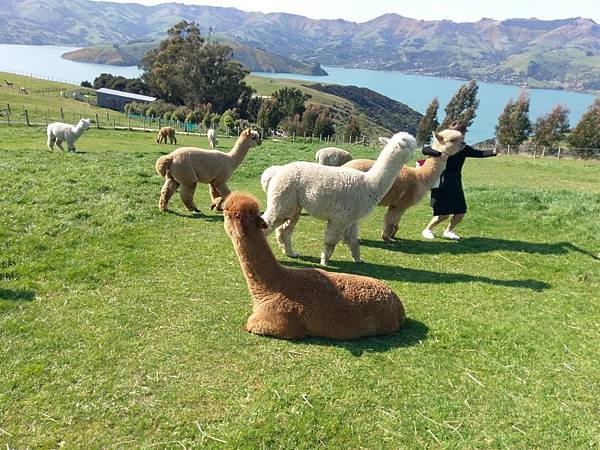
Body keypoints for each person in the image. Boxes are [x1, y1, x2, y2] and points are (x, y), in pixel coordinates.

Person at [421, 121, 497, 240]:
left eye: (463, 132)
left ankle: (448, 231)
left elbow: (479, 153)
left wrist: (493, 152)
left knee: (460, 211)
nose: (462, 135)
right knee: (443, 214)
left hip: (455, 181)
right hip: (441, 180)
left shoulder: (463, 148)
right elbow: (425, 150)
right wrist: (439, 154)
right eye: (460, 132)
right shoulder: (442, 143)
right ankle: (427, 230)